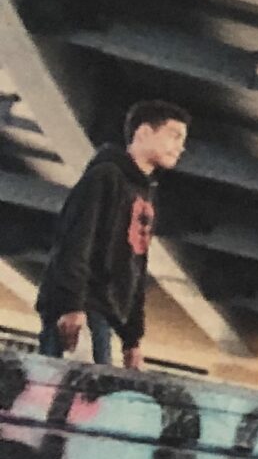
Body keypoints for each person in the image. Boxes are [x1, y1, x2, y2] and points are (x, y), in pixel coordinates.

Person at [36, 100, 189, 370]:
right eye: (174, 136)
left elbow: (136, 266)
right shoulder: (105, 176)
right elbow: (76, 240)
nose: (180, 146)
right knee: (70, 400)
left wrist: (132, 339)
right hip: (83, 309)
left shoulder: (145, 193)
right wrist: (72, 306)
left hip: (103, 314)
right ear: (143, 132)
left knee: (86, 400)